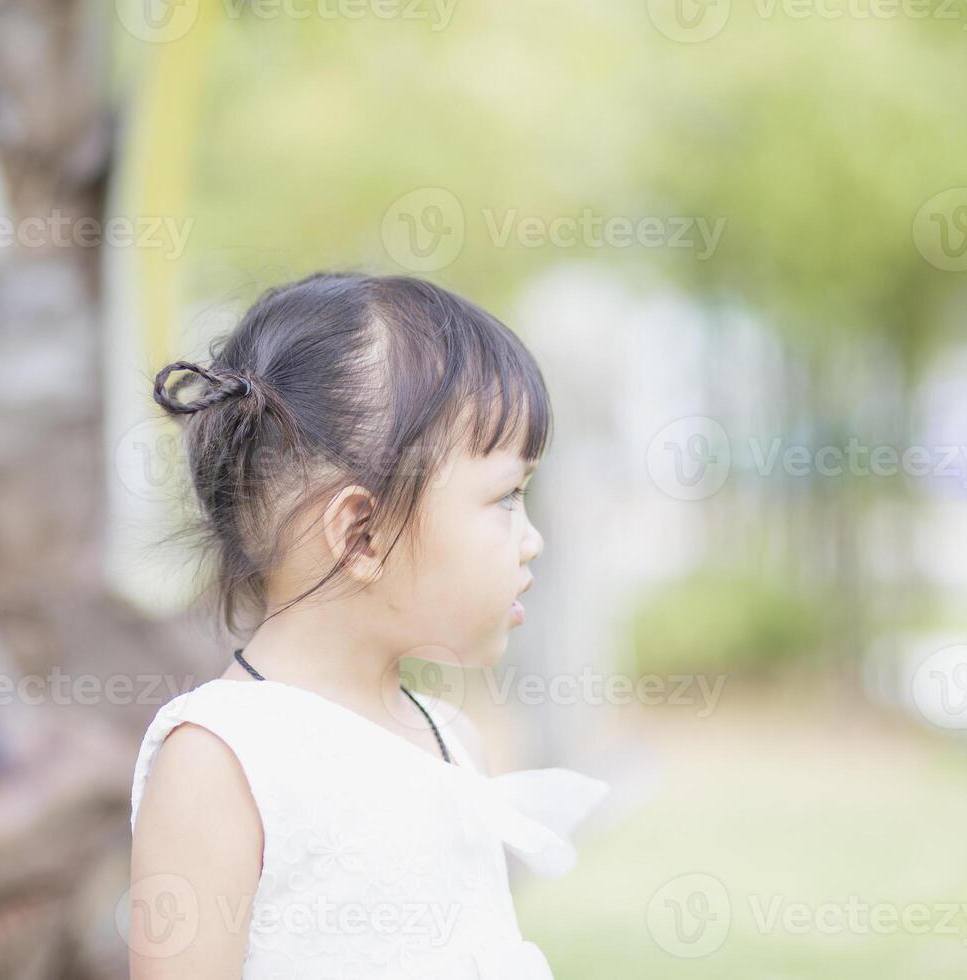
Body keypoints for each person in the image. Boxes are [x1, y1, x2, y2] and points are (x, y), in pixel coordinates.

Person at [127, 271, 610, 979]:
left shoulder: (450, 738)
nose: (529, 539)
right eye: (505, 497)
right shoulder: (221, 760)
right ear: (361, 533)